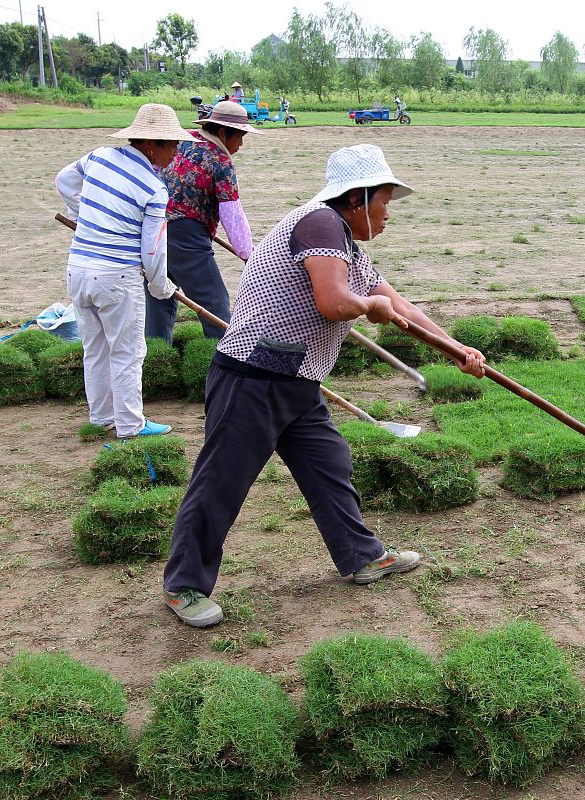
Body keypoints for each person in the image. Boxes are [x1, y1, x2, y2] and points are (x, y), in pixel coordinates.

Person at [161, 143, 486, 627]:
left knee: (329, 465)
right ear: (357, 198)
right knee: (221, 482)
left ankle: (361, 556)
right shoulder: (319, 223)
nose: (387, 214)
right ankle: (183, 585)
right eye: (385, 202)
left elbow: (402, 307)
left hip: (295, 379)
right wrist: (367, 308)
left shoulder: (348, 245)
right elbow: (334, 302)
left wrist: (457, 350)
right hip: (252, 377)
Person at [55, 103, 190, 438]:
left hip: (79, 270)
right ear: (149, 144)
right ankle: (130, 425)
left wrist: (85, 212)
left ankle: (101, 418)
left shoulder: (99, 156)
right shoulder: (153, 188)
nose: (176, 151)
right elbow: (153, 250)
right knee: (128, 352)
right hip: (117, 277)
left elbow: (64, 180)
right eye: (171, 144)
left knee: (95, 348)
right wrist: (161, 287)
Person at [146, 101, 260, 343]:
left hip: (152, 229)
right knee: (214, 302)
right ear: (222, 132)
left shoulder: (182, 139)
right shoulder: (220, 160)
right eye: (239, 137)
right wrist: (248, 254)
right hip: (186, 235)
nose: (240, 144)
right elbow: (232, 213)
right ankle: (226, 362)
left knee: (161, 296)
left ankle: (156, 358)